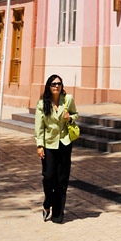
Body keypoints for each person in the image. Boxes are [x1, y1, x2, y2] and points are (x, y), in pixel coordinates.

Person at [34, 74, 78, 223]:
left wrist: (69, 118)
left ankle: (58, 214)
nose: (56, 86)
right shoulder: (42, 104)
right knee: (48, 177)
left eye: (59, 83)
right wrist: (39, 145)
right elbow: (39, 127)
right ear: (49, 86)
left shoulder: (68, 99)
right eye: (53, 84)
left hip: (65, 143)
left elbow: (75, 114)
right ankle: (47, 203)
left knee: (62, 179)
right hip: (49, 144)